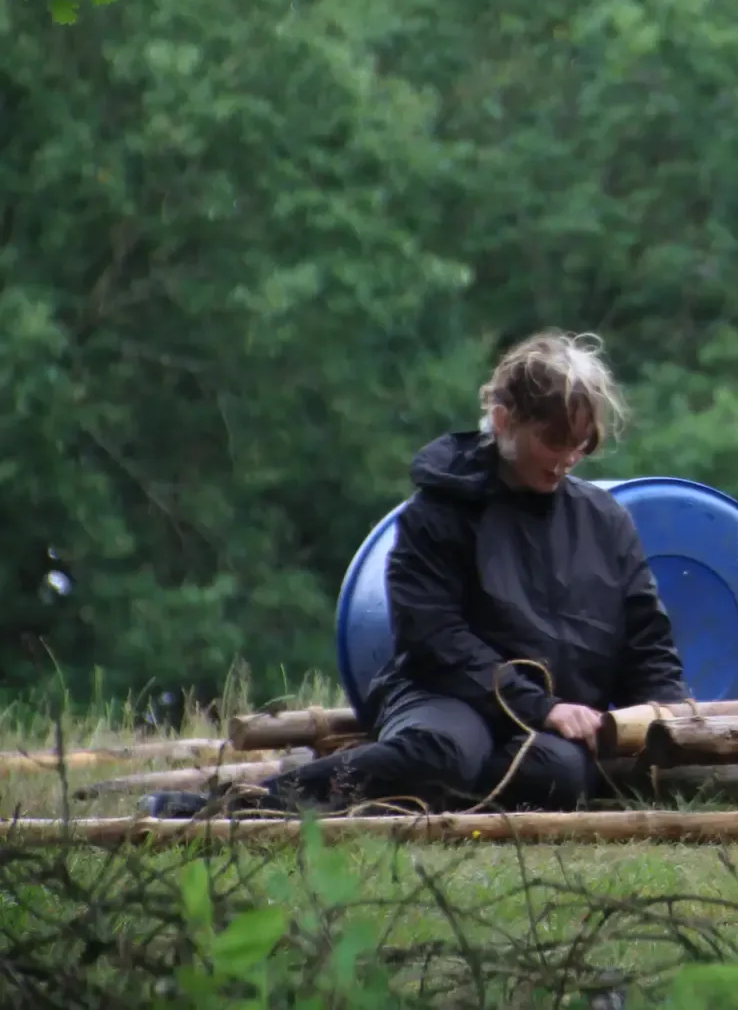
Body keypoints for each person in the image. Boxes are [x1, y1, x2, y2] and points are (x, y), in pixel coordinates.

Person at [141, 331, 686, 818]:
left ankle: (428, 796)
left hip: (551, 719)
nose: (568, 458)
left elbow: (645, 639)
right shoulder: (438, 512)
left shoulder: (606, 519)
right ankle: (237, 807)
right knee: (443, 751)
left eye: (581, 445)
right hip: (445, 693)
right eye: (554, 441)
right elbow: (434, 639)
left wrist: (674, 720)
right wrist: (540, 705)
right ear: (503, 421)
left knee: (559, 776)